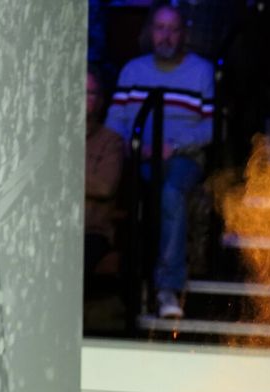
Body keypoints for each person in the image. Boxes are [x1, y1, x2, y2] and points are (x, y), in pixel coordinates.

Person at [105, 4, 215, 319]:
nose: (165, 36)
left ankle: (167, 287)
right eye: (160, 28)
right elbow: (116, 120)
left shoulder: (200, 71)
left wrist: (175, 146)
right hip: (139, 157)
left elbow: (211, 127)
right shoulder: (133, 71)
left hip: (184, 158)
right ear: (149, 32)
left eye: (173, 29)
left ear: (183, 35)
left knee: (170, 193)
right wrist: (128, 145)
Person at [85, 67, 124, 278]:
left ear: (100, 100)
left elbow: (105, 187)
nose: (86, 98)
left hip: (91, 232)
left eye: (91, 93)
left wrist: (59, 178)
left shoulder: (110, 141)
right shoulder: (52, 138)